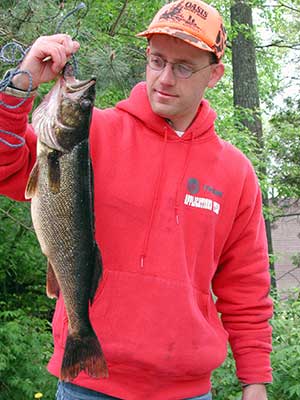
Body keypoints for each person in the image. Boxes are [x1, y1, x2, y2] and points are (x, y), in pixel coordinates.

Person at [0, 0, 273, 399]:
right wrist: (21, 83)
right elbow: (7, 166)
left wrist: (255, 382)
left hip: (187, 391)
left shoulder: (235, 173)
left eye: (183, 67)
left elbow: (246, 288)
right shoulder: (88, 133)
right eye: (157, 60)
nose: (165, 78)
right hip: (86, 386)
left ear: (215, 74)